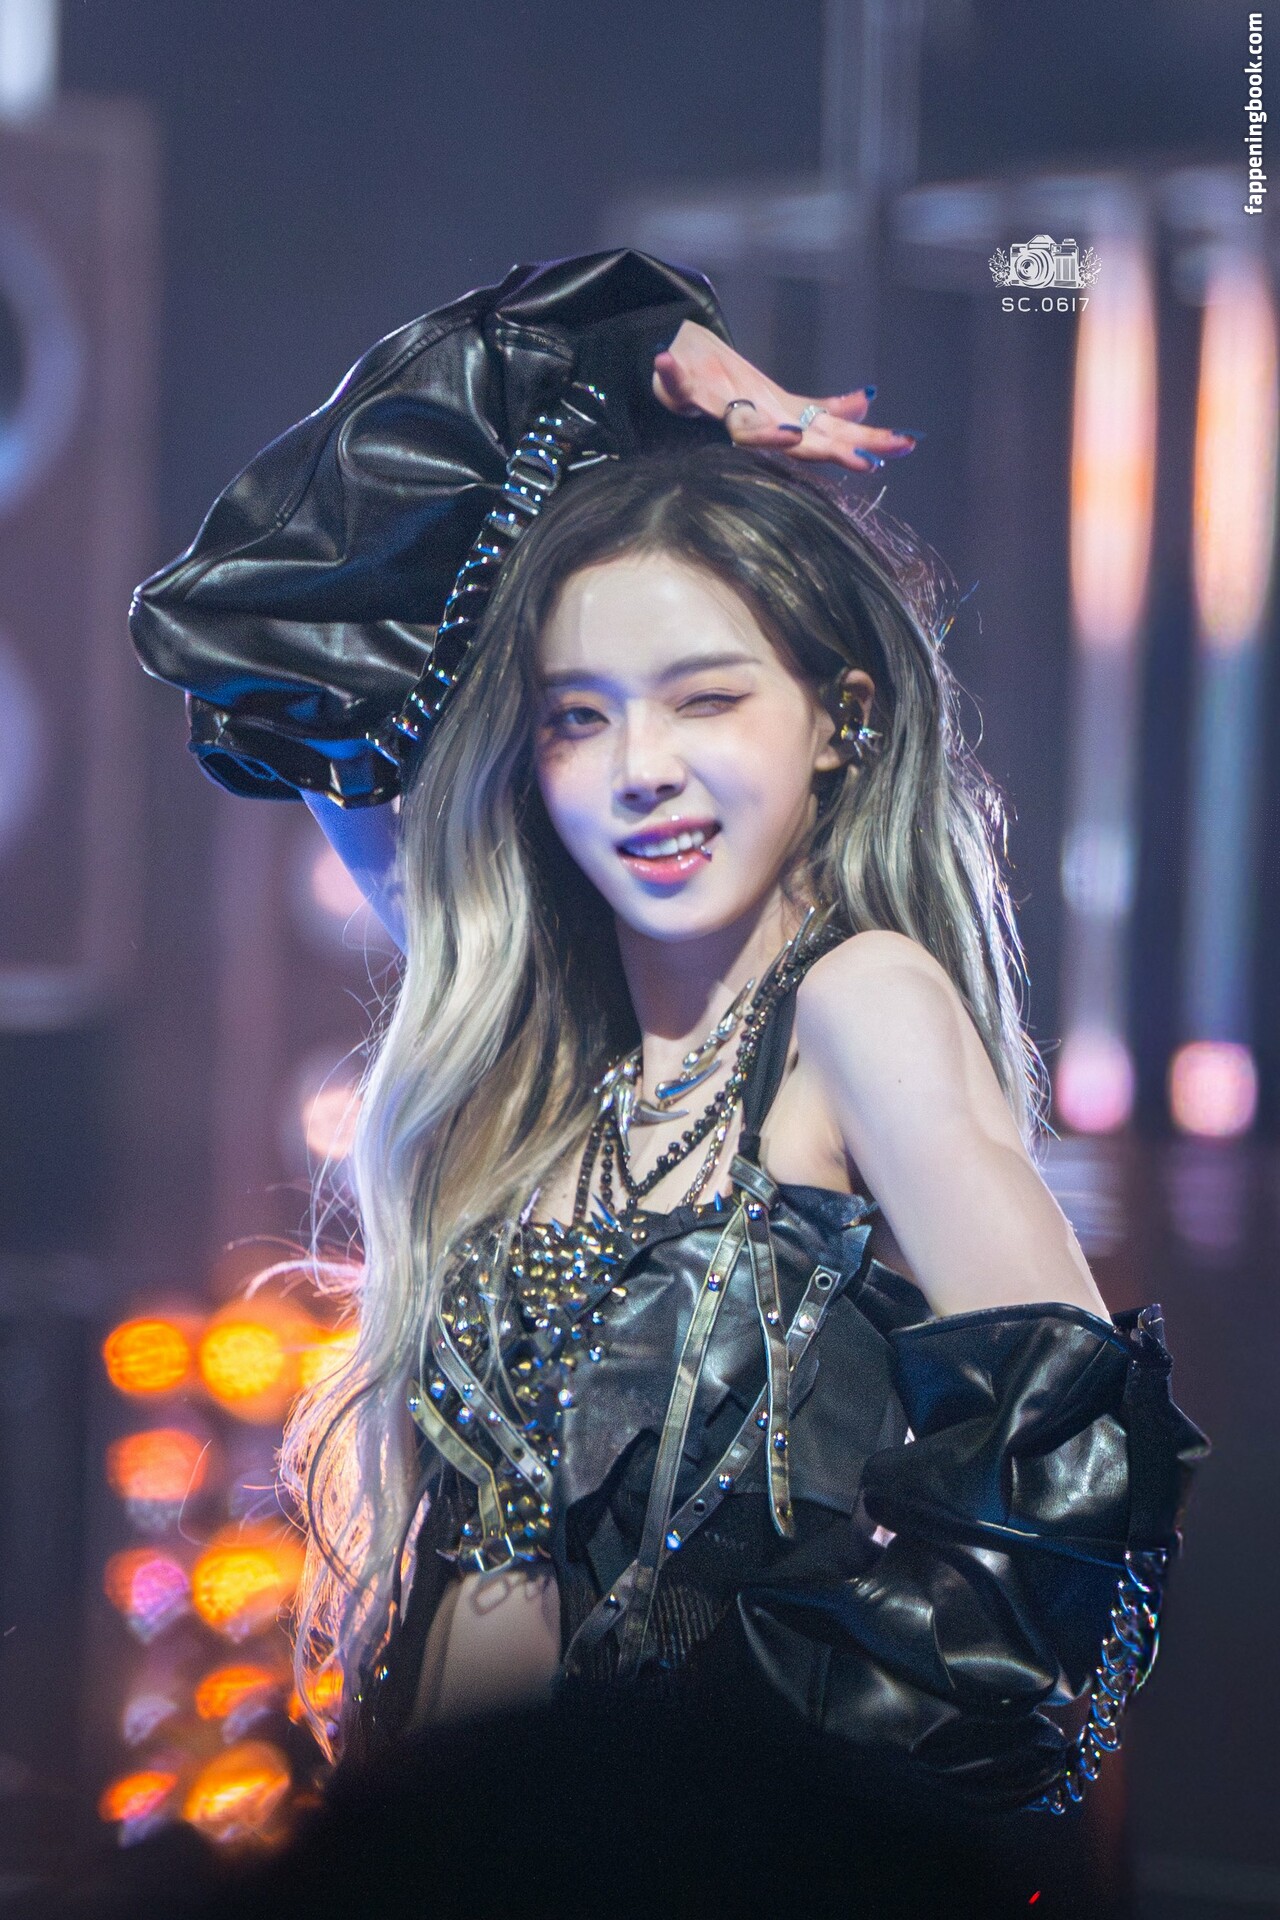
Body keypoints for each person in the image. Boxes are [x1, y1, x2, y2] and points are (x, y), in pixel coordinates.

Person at [129, 251, 1207, 1902]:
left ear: (838, 719)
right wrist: (616, 342)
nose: (643, 770)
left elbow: (1068, 1485)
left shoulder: (857, 1004)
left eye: (706, 700)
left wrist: (774, 1792)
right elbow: (247, 617)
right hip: (435, 1847)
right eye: (578, 718)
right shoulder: (521, 1021)